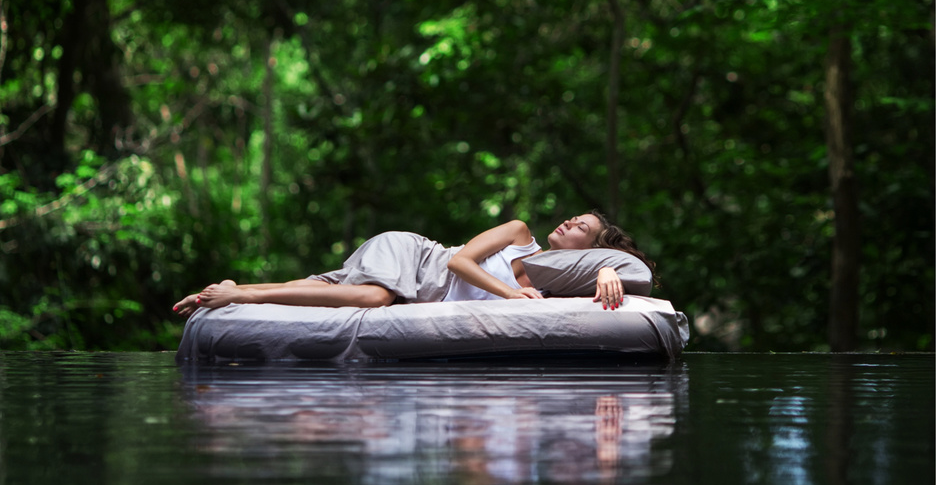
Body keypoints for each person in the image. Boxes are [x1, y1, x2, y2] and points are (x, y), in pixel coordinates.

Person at [173, 210, 655, 316]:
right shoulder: (520, 233)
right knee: (373, 297)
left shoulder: (560, 284)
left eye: (582, 228)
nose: (570, 221)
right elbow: (461, 262)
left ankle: (234, 288)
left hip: (418, 282)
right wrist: (512, 292)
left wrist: (607, 269)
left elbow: (628, 278)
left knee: (324, 283)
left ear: (591, 250)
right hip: (418, 256)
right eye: (574, 217)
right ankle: (240, 295)